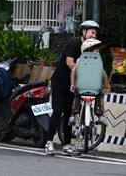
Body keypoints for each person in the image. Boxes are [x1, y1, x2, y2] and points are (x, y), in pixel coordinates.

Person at [46, 26, 85, 156]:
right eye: (92, 32)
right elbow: (69, 62)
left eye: (95, 33)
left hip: (73, 83)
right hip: (60, 81)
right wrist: (85, 75)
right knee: (57, 111)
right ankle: (49, 142)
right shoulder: (74, 43)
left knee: (69, 114)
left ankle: (67, 145)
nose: (93, 35)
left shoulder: (91, 49)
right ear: (84, 32)